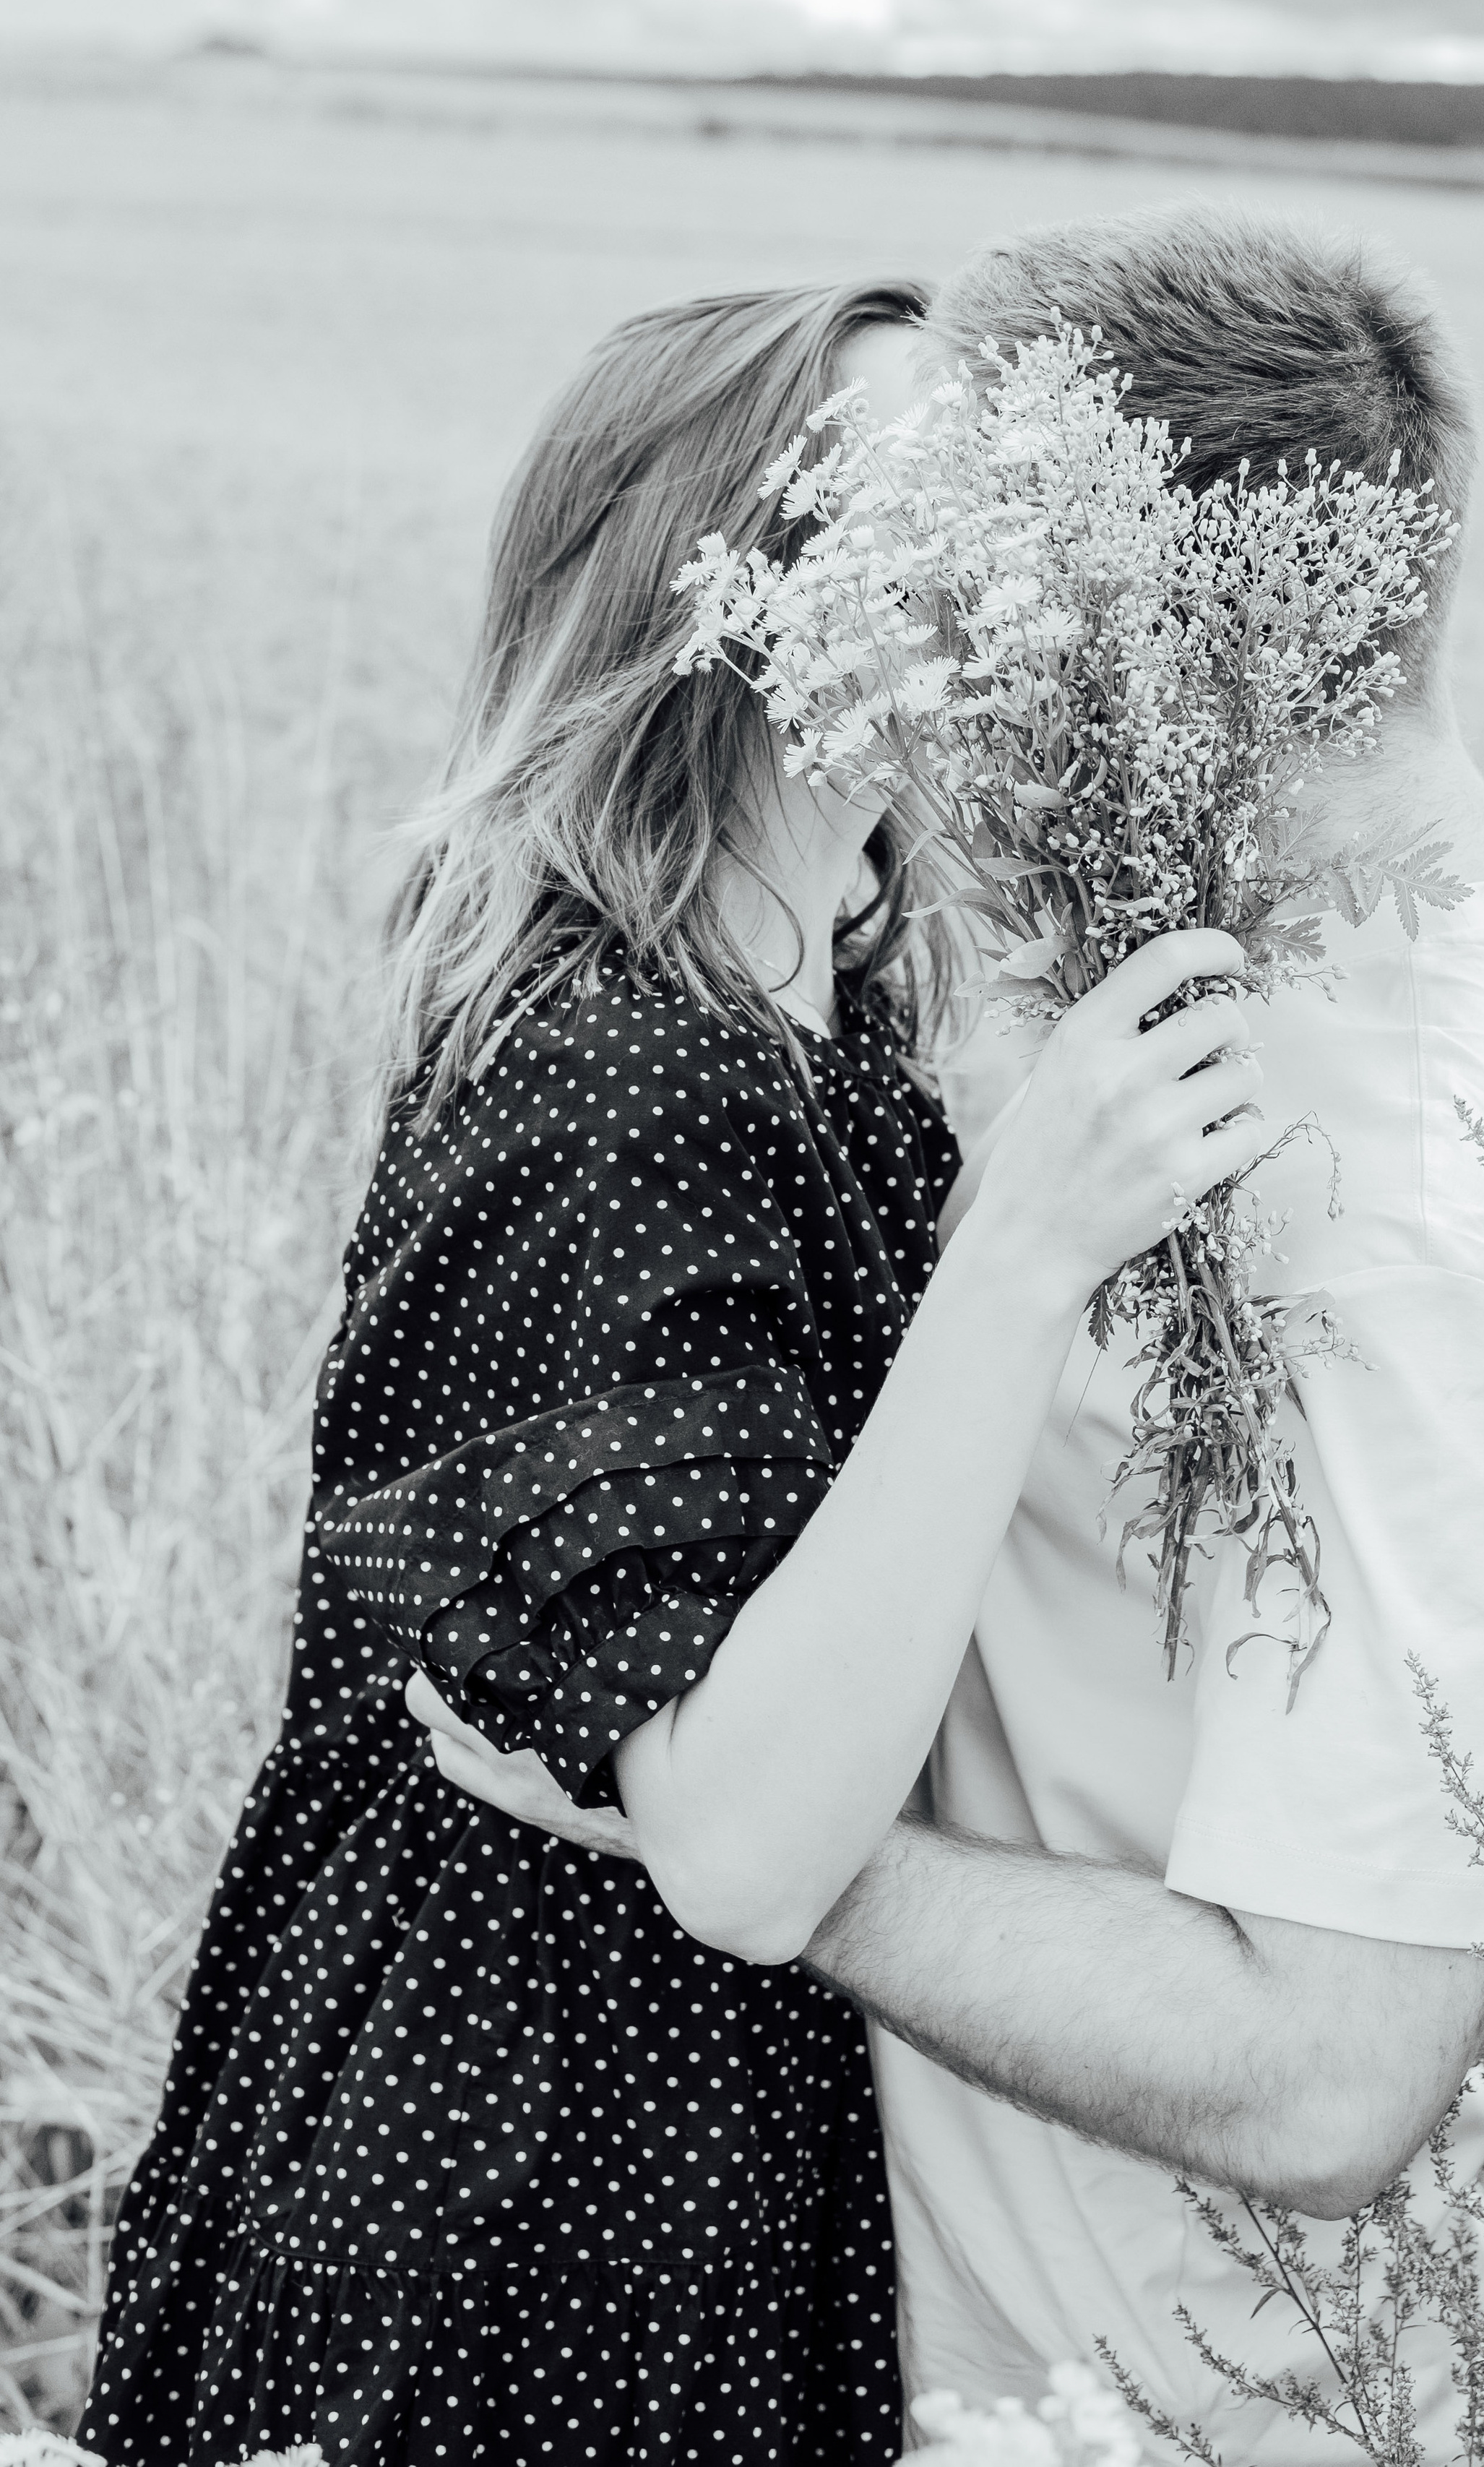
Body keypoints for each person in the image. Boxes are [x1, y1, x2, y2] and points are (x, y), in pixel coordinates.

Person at [429, 210, 1484, 2463]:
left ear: (1150, 621)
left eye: (967, 589)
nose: (916, 666)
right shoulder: (1176, 944)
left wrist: (728, 1833)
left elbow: (1333, 2070)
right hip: (951, 2339)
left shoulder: (1430, 1212)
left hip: (1191, 2407)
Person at [79, 275, 1265, 2466]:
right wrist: (1025, 1252)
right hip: (518, 2202)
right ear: (732, 599)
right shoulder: (629, 1075)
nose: (1003, 560)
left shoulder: (812, 1039)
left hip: (664, 2144)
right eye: (935, 509)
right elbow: (735, 1836)